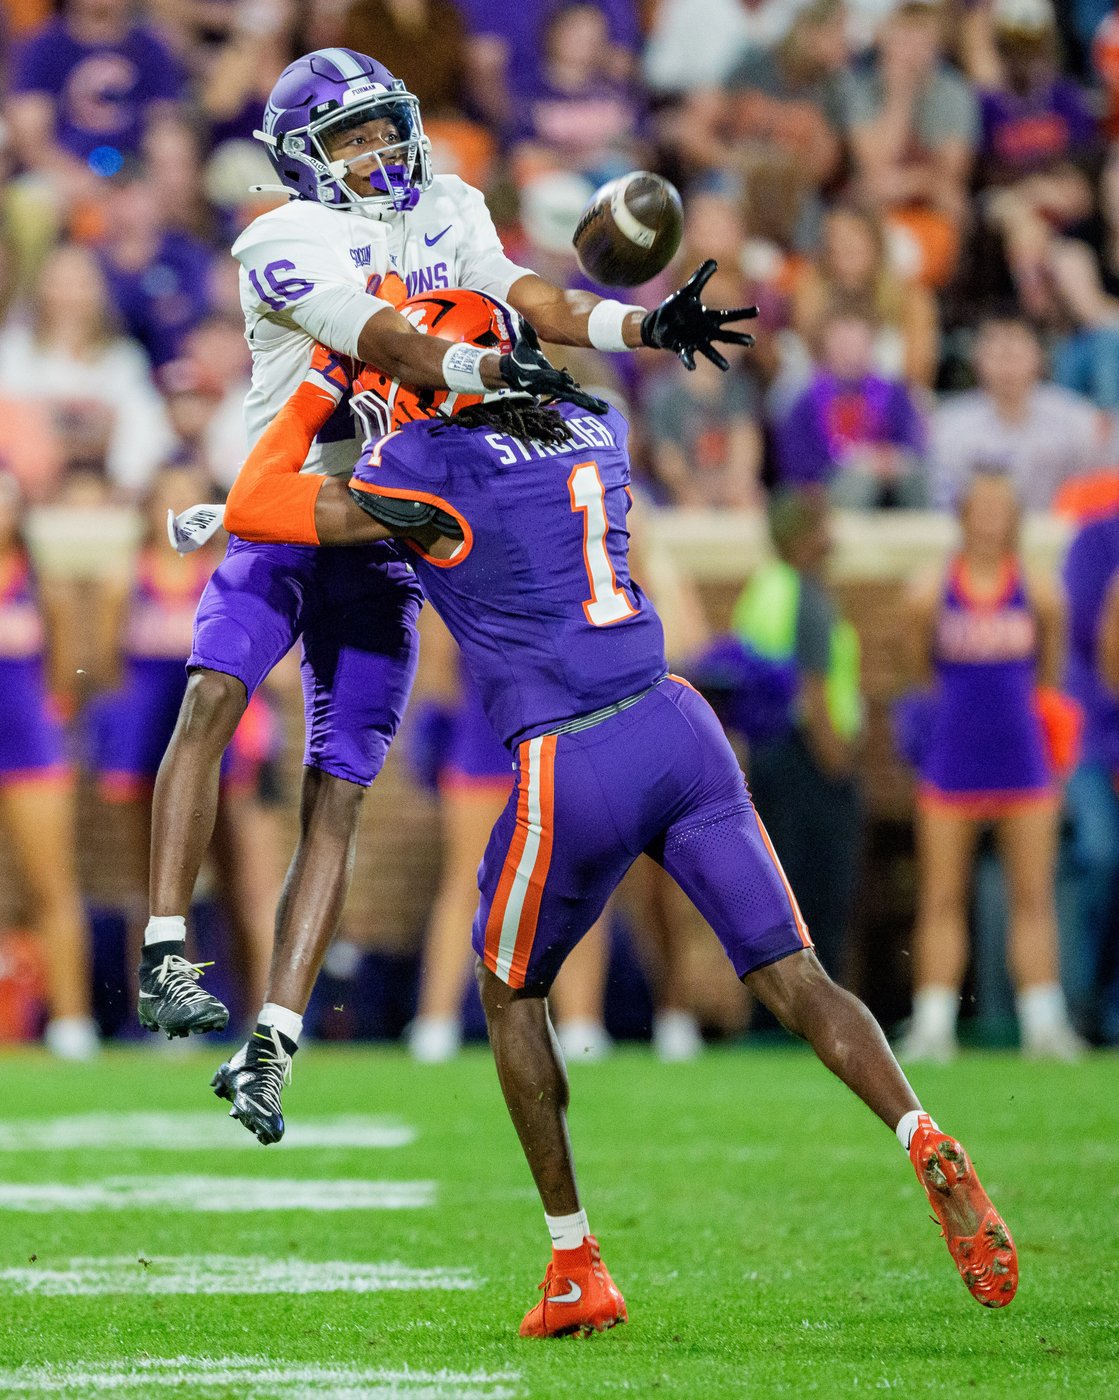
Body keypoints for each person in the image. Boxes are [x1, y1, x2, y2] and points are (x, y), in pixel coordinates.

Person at [220, 287, 1018, 1333]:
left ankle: (573, 1260)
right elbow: (534, 376)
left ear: (443, 378)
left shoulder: (428, 467)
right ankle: (918, 1127)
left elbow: (255, 500)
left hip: (570, 751)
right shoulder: (594, 421)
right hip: (677, 723)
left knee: (509, 991)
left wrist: (331, 383)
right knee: (796, 972)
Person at [143, 47, 756, 1079]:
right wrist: (484, 364)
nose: (380, 149)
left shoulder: (449, 206)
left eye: (386, 126)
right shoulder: (284, 238)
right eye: (352, 137)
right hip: (296, 500)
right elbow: (382, 339)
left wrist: (641, 325)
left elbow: (533, 298)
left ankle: (274, 1046)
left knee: (338, 790)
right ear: (304, 158)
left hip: (389, 517)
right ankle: (165, 950)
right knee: (211, 697)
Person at [898, 471, 1083, 1060]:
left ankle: (1043, 1023)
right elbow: (917, 671)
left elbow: (1049, 676)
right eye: (981, 507)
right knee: (942, 896)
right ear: (962, 514)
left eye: (1002, 507)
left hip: (1023, 761)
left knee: (1032, 895)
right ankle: (933, 1024)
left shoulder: (1041, 590)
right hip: (952, 757)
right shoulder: (929, 590)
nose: (990, 519)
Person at [90, 467, 275, 1026]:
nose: (177, 510)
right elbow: (104, 667)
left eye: (188, 499)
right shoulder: (127, 578)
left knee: (244, 884)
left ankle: (265, 1014)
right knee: (154, 890)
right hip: (147, 748)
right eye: (166, 498)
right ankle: (163, 1014)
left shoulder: (230, 576)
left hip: (227, 749)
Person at [730, 488, 863, 977]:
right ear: (803, 538)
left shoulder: (764, 587)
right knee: (816, 895)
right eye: (823, 528)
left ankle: (771, 1013)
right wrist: (838, 766)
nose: (832, 539)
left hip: (767, 758)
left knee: (775, 895)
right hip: (807, 763)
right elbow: (813, 690)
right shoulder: (806, 594)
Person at [0, 472, 97, 1059]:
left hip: (32, 752)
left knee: (52, 884)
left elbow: (63, 676)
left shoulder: (39, 586)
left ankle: (72, 1022)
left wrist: (53, 732)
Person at [930, 315, 1106, 510]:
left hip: (1057, 531)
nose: (1007, 368)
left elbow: (1100, 487)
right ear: (977, 360)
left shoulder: (1077, 419)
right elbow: (942, 503)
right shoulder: (950, 425)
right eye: (997, 356)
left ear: (1038, 356)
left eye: (1015, 355)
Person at [1061, 509, 1119, 1044]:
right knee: (1099, 855)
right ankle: (1080, 1006)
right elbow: (1098, 651)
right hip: (1096, 738)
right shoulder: (1096, 541)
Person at [774, 311, 928, 506]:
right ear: (827, 347)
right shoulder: (805, 401)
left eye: (858, 344)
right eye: (844, 345)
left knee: (915, 475)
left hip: (891, 483)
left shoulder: (894, 395)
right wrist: (852, 462)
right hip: (828, 488)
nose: (851, 354)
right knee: (860, 481)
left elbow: (913, 445)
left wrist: (883, 459)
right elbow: (796, 465)